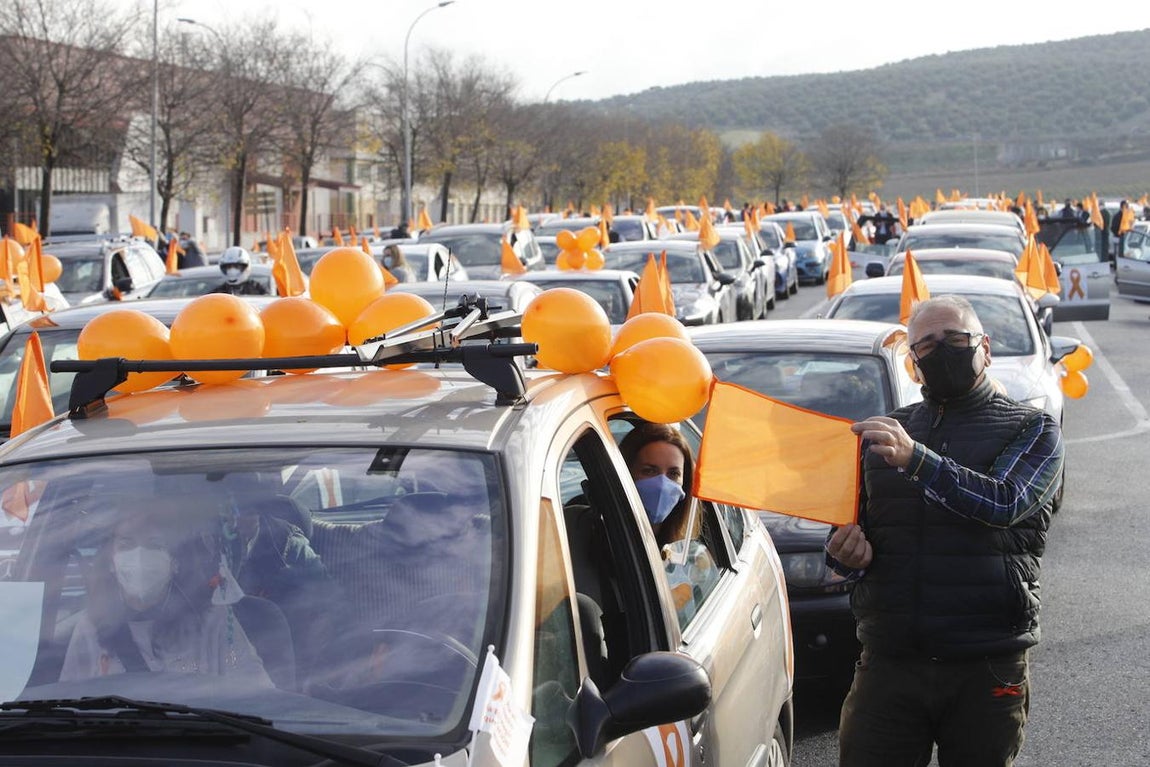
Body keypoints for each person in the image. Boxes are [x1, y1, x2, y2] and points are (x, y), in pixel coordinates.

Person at [827, 295, 1064, 767]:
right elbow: (852, 530)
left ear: (985, 347)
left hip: (985, 660)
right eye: (927, 346)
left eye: (955, 339)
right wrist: (844, 554)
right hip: (890, 659)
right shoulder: (886, 433)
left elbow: (1006, 501)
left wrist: (918, 461)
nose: (944, 352)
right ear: (913, 364)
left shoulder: (1033, 428)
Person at [61, 500, 272, 686]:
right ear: (110, 561)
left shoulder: (213, 621)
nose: (139, 557)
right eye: (127, 544)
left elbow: (257, 696)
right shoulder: (92, 628)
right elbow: (69, 707)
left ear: (175, 562)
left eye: (155, 545)